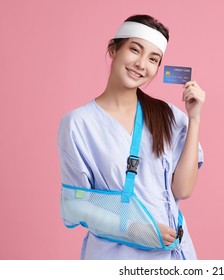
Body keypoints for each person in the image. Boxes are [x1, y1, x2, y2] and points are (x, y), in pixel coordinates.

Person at [58, 14, 205, 260]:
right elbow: (75, 204)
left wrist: (194, 118)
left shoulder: (168, 115)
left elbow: (183, 189)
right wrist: (133, 229)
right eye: (134, 50)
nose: (141, 64)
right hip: (115, 258)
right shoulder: (78, 124)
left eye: (153, 59)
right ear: (114, 49)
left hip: (173, 256)